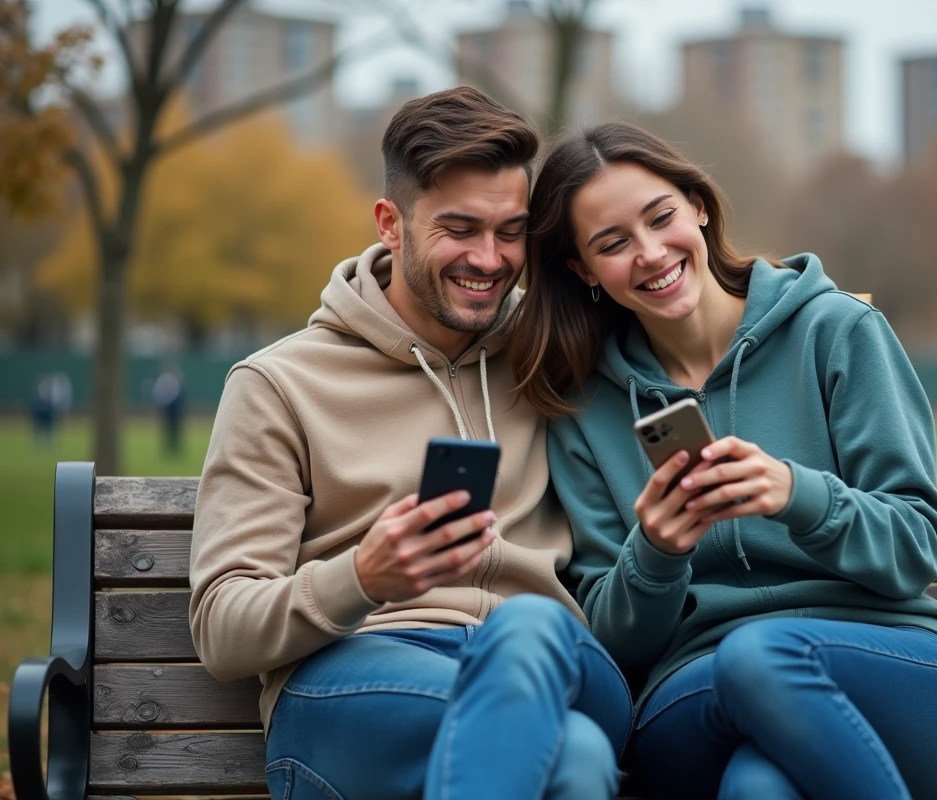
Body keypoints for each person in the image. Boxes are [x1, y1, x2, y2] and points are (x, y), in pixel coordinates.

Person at [508, 121, 937, 800]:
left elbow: (918, 547)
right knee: (747, 668)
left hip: (894, 675)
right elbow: (614, 643)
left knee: (758, 782)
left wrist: (798, 494)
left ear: (699, 207)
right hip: (699, 700)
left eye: (661, 218)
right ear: (583, 270)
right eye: (613, 244)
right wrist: (656, 552)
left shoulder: (837, 332)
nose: (650, 252)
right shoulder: (584, 410)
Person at [189, 88, 630, 800]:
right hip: (363, 675)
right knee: (574, 755)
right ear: (390, 224)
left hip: (554, 659)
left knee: (529, 630)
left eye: (511, 232)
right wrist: (361, 577)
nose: (489, 259)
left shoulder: (554, 349)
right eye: (460, 229)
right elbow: (222, 629)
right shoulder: (280, 383)